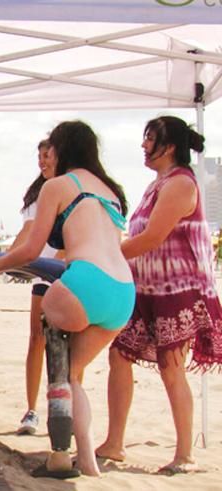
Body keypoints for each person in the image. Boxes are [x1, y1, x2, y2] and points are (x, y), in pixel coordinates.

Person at [0, 121, 135, 477]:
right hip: (124, 290)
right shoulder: (111, 190)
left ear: (63, 149)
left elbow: (32, 249)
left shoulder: (59, 186)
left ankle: (61, 455)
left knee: (57, 353)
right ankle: (88, 461)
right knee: (73, 375)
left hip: (84, 283)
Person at [96, 116, 222, 475]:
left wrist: (104, 255)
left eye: (149, 138)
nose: (143, 145)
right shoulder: (157, 183)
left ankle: (185, 455)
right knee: (119, 356)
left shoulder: (181, 183)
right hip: (146, 289)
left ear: (168, 147)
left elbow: (153, 237)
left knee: (172, 369)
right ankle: (114, 443)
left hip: (178, 291)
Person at [11, 140, 61, 435]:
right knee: (36, 340)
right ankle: (31, 411)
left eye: (48, 156)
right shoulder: (36, 195)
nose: (42, 161)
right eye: (39, 156)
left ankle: (61, 409)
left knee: (63, 346)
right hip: (43, 276)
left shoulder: (73, 188)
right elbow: (27, 233)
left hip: (70, 276)